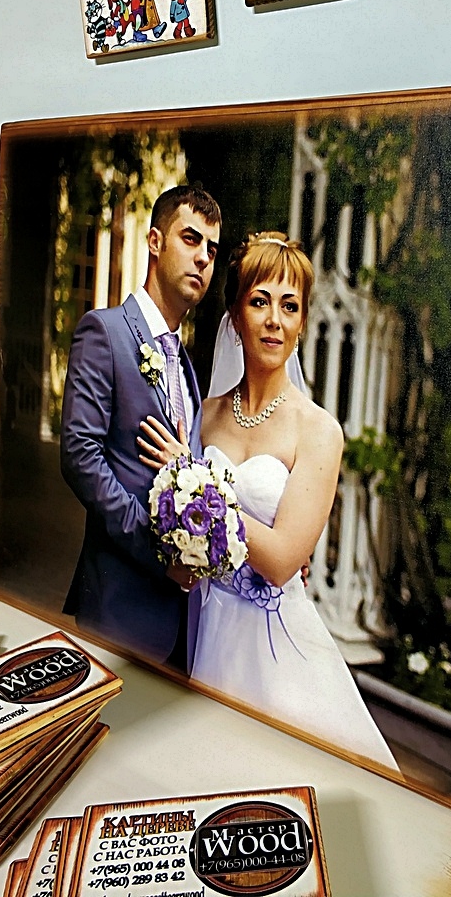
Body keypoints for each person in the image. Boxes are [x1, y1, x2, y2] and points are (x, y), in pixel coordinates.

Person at [138, 232, 399, 771]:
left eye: (290, 306)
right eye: (259, 301)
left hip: (276, 646)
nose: (275, 320)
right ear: (235, 315)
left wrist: (197, 483)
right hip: (210, 631)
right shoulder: (205, 413)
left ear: (302, 322)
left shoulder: (319, 431)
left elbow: (281, 560)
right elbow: (180, 545)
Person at [61, 185, 221, 668]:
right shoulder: (105, 332)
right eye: (190, 239)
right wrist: (159, 550)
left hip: (182, 628)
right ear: (155, 241)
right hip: (118, 611)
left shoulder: (186, 367)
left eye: (212, 250)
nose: (203, 258)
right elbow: (80, 457)